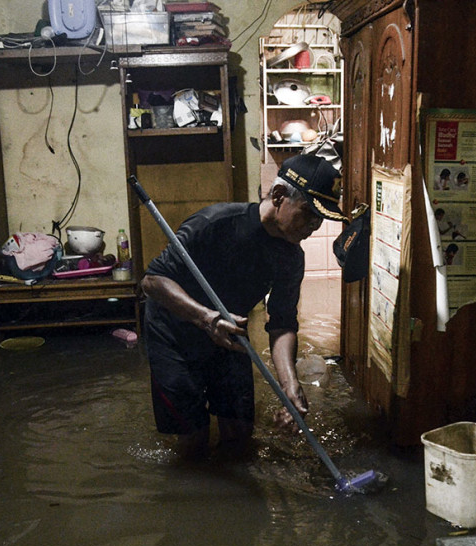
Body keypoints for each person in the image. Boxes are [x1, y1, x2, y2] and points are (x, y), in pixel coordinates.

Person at [140, 154, 347, 460]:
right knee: (193, 442)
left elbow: (282, 324)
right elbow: (152, 281)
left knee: (239, 435)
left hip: (229, 334)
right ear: (279, 196)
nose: (313, 227)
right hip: (174, 334)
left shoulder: (291, 258)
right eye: (308, 214)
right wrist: (205, 318)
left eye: (321, 219)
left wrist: (290, 386)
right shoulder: (215, 224)